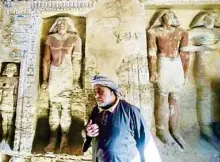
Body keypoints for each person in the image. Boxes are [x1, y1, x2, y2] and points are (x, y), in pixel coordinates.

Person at [82, 74, 161, 162]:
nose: (96, 95)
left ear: (112, 91)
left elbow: (147, 144)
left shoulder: (131, 111)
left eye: (100, 91)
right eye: (95, 91)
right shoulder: (96, 111)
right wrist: (86, 132)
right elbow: (88, 137)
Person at [147, 10, 189, 149]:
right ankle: (163, 131)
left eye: (172, 15)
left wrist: (186, 71)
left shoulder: (181, 32)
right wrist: (153, 71)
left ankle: (176, 131)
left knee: (176, 98)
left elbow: (185, 53)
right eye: (166, 15)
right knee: (163, 97)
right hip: (163, 62)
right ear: (161, 18)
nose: (169, 18)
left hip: (176, 64)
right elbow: (152, 53)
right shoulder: (154, 32)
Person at [42, 17, 82, 153]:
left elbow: (77, 60)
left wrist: (76, 80)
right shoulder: (50, 38)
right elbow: (46, 60)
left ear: (69, 25)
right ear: (55, 26)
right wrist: (44, 80)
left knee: (66, 106)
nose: (62, 24)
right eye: (59, 23)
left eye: (64, 22)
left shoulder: (75, 39)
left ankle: (65, 138)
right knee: (53, 105)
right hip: (54, 72)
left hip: (68, 72)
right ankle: (53, 138)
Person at [187, 11, 220, 149]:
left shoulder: (217, 32)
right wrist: (199, 47)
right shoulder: (196, 31)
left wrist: (209, 46)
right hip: (202, 67)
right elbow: (185, 43)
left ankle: (215, 126)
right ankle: (206, 128)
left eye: (211, 18)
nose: (208, 20)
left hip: (216, 66)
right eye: (206, 18)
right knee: (204, 97)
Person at [0, 63, 19, 150]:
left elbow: (15, 94)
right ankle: (3, 137)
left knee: (10, 121)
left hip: (10, 103)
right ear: (5, 70)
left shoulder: (15, 80)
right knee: (3, 121)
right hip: (3, 102)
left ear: (14, 71)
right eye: (8, 69)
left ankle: (9, 138)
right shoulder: (2, 79)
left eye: (11, 70)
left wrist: (14, 104)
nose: (9, 71)